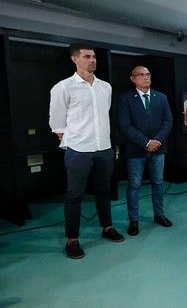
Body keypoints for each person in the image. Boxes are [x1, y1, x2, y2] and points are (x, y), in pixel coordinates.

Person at [49, 43, 124, 259]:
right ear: (75, 59)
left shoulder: (105, 87)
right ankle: (72, 239)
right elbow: (57, 122)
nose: (93, 60)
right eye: (87, 56)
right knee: (74, 195)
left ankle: (107, 227)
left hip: (104, 149)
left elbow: (104, 113)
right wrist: (72, 139)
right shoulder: (63, 87)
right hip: (78, 150)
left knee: (104, 190)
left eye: (94, 56)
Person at [118, 66, 173, 236]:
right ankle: (133, 220)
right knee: (134, 185)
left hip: (158, 149)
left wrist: (156, 141)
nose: (146, 77)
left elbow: (168, 121)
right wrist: (146, 142)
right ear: (133, 78)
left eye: (148, 74)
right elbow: (125, 125)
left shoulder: (161, 97)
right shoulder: (126, 99)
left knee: (158, 182)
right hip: (136, 150)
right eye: (141, 75)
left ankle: (159, 214)